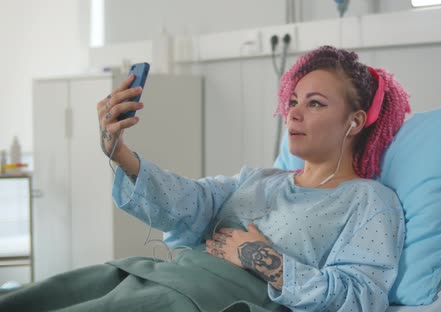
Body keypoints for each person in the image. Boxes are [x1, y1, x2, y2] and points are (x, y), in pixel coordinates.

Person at [0, 46, 410, 312]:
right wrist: (120, 152)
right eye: (292, 101)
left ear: (355, 121)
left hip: (203, 302)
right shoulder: (260, 179)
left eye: (314, 104)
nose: (294, 114)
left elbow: (361, 297)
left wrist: (265, 260)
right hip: (149, 276)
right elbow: (190, 201)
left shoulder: (368, 201)